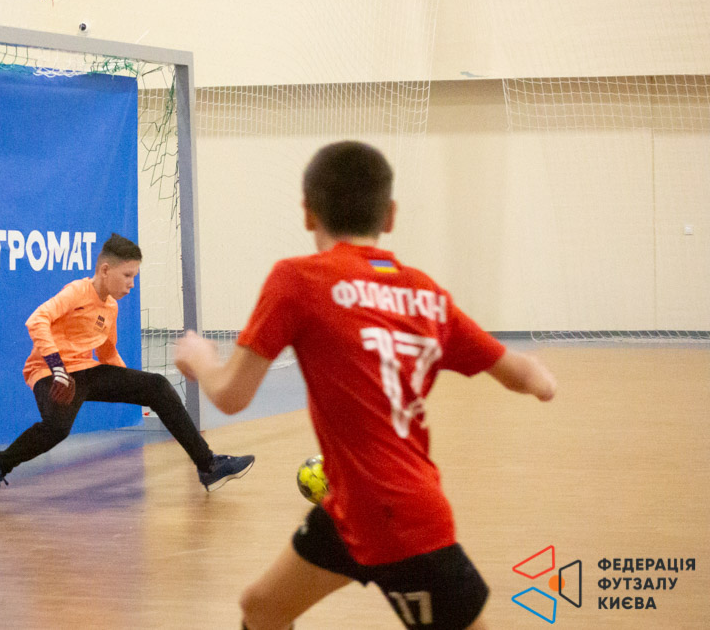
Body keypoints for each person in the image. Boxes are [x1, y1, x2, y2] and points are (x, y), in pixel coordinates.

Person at [174, 142, 556, 630]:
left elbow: (231, 396)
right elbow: (522, 375)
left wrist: (202, 360)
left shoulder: (298, 279)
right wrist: (543, 381)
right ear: (390, 216)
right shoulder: (425, 293)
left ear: (308, 213)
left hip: (398, 518)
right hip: (351, 509)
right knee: (261, 609)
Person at [0, 233, 254, 504]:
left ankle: (208, 466)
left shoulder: (110, 307)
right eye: (127, 275)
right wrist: (57, 367)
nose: (132, 284)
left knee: (156, 386)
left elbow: (107, 352)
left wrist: (134, 387)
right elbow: (37, 320)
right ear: (105, 270)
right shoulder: (77, 291)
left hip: (86, 371)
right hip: (49, 371)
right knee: (57, 428)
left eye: (135, 277)